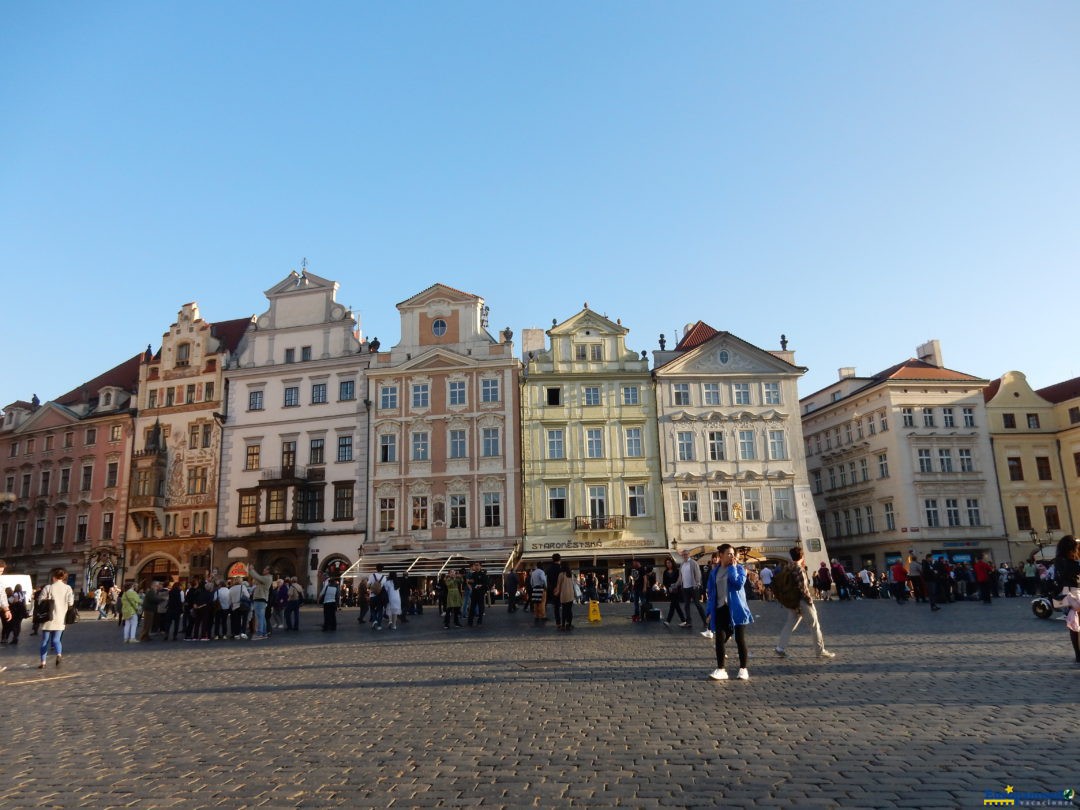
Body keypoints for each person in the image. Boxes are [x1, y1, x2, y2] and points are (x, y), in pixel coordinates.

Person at [775, 547, 836, 660]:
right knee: (815, 624)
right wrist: (810, 602)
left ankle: (780, 648)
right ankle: (820, 650)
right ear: (802, 557)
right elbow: (802, 588)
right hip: (802, 601)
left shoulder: (787, 567)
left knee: (790, 623)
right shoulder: (798, 569)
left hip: (791, 600)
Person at [707, 543, 754, 681]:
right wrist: (709, 611)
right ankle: (721, 669)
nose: (732, 556)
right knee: (719, 639)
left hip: (737, 608)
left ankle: (743, 669)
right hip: (721, 608)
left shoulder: (739, 569)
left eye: (733, 554)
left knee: (740, 639)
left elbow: (738, 583)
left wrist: (733, 568)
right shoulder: (714, 572)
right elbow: (711, 593)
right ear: (720, 555)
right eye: (729, 553)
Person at [37, 567, 75, 668]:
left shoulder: (48, 588)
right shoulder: (68, 588)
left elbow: (40, 601)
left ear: (54, 577)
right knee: (56, 640)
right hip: (60, 617)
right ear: (63, 578)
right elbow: (71, 602)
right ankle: (58, 654)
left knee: (45, 640)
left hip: (48, 617)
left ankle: (43, 662)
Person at [1052, 535, 1080, 664]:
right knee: (1075, 623)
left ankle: (1078, 654)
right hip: (1075, 592)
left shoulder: (1058, 561)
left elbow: (1057, 579)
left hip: (1066, 593)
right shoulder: (1073, 562)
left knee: (1073, 625)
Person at [678, 549, 708, 628]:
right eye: (683, 554)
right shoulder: (682, 564)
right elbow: (680, 577)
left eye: (686, 554)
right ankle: (689, 622)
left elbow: (698, 575)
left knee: (698, 605)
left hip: (693, 587)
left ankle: (705, 622)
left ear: (689, 554)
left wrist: (697, 584)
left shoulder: (693, 563)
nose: (685, 556)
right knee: (686, 606)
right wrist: (676, 584)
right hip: (685, 588)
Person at [248, 564, 273, 639]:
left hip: (260, 599)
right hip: (261, 599)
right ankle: (264, 633)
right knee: (262, 617)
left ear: (268, 571)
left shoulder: (267, 578)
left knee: (259, 618)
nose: (263, 570)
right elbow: (257, 579)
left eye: (265, 569)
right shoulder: (266, 578)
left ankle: (260, 634)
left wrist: (252, 570)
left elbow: (257, 577)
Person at [661, 557, 686, 626]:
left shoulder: (677, 571)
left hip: (677, 590)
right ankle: (683, 620)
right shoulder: (665, 572)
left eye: (669, 563)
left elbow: (680, 580)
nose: (668, 564)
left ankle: (668, 621)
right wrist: (668, 587)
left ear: (672, 563)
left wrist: (675, 586)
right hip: (670, 591)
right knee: (676, 606)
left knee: (673, 605)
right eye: (666, 563)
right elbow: (664, 582)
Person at [554, 562, 576, 630]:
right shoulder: (570, 574)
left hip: (564, 594)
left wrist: (556, 592)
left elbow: (559, 585)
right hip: (571, 594)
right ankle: (569, 624)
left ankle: (563, 625)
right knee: (569, 610)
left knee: (564, 610)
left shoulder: (561, 574)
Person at [368, 564, 389, 631]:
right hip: (380, 596)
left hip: (373, 595)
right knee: (380, 610)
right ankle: (379, 625)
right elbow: (385, 587)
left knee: (372, 608)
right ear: (382, 569)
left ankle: (374, 620)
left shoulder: (372, 576)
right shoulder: (384, 577)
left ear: (376, 568)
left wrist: (371, 588)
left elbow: (368, 584)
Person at [466, 562, 488, 627]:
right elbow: (469, 582)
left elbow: (486, 583)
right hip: (474, 593)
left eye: (477, 565)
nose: (476, 567)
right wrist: (472, 585)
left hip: (480, 593)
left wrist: (481, 586)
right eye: (475, 565)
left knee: (481, 608)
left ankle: (479, 621)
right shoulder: (473, 574)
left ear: (480, 567)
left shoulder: (483, 574)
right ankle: (470, 622)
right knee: (472, 607)